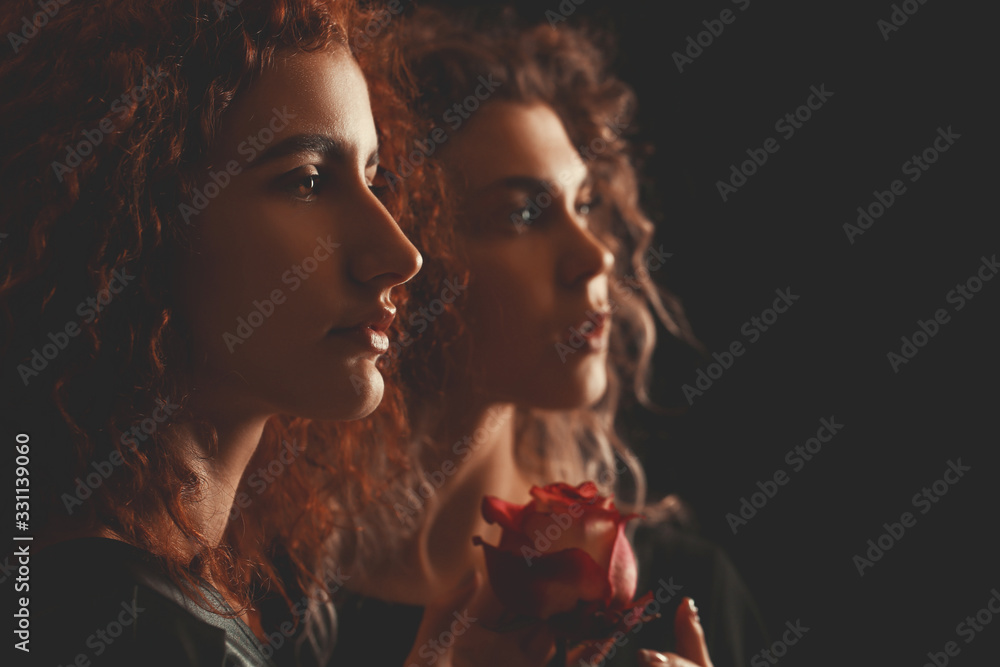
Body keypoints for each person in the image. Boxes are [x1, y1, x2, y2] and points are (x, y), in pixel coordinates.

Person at [325, 7, 768, 667]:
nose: (595, 257)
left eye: (584, 203)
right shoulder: (266, 601)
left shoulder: (682, 591)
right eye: (523, 213)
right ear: (400, 252)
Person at [0, 0, 424, 664]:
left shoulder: (136, 594)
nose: (400, 252)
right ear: (139, 219)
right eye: (308, 180)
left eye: (373, 178)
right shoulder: (120, 627)